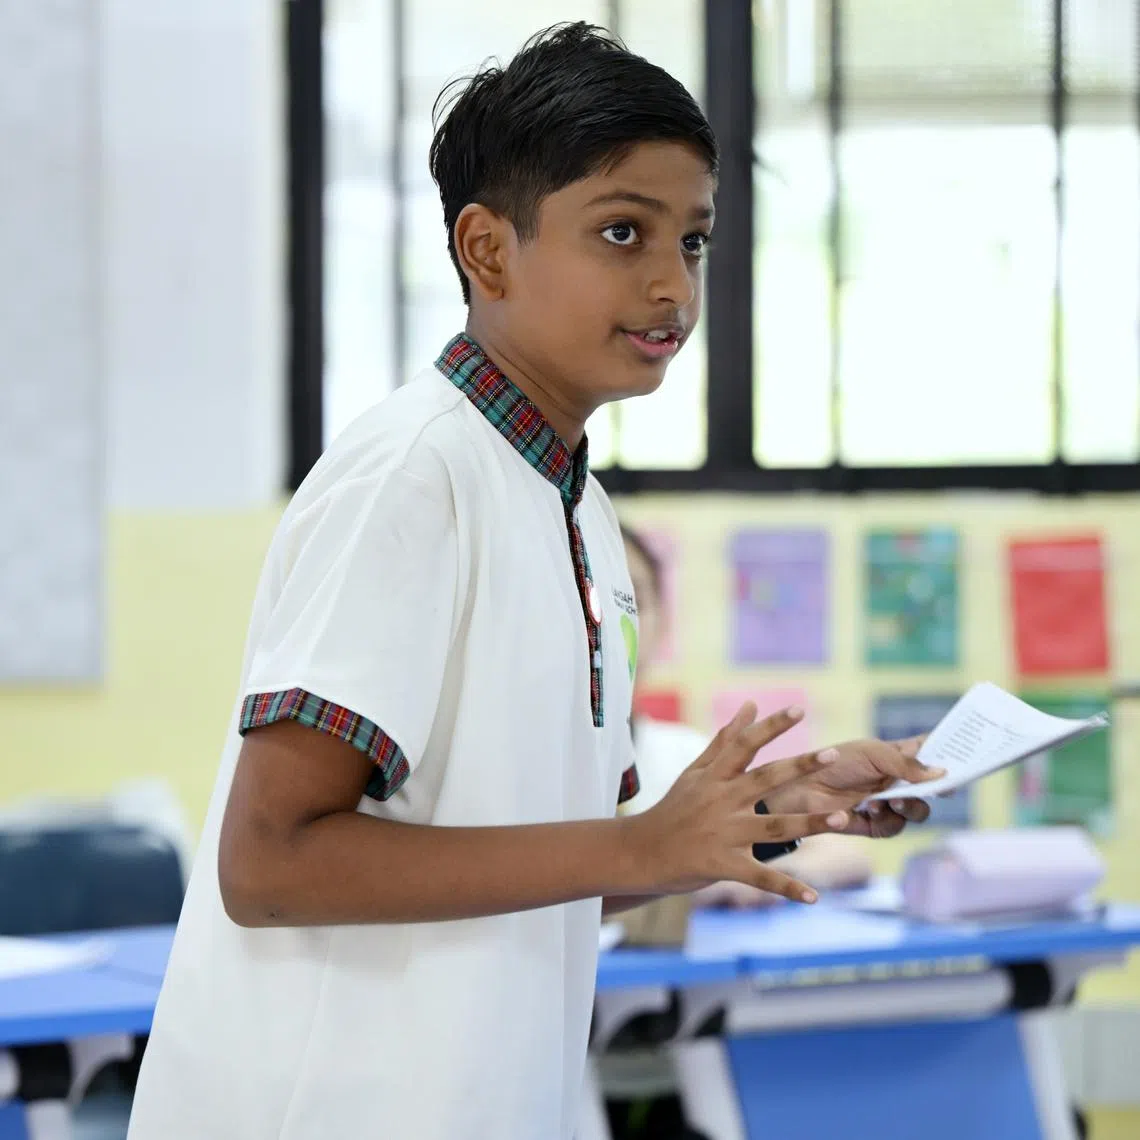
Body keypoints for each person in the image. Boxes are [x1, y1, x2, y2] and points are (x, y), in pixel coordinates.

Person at [126, 24, 939, 1140]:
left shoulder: (579, 510)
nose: (673, 284)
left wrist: (756, 815)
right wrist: (638, 845)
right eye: (623, 232)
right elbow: (268, 863)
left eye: (693, 241)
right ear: (489, 251)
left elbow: (553, 865)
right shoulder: (412, 477)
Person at [620, 525, 873, 909]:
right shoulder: (528, 767)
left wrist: (774, 876)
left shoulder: (685, 756)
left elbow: (842, 854)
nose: (610, 625)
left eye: (630, 601)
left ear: (664, 621)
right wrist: (688, 886)